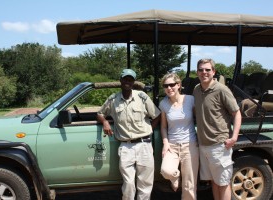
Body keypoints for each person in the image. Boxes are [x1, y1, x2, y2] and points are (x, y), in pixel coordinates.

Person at [97, 68, 161, 200]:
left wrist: (148, 131)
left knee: (145, 184)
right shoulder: (113, 99)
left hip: (144, 145)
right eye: (125, 79)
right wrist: (105, 122)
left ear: (133, 82)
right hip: (126, 147)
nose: (127, 81)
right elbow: (99, 113)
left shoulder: (142, 97)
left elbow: (157, 115)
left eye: (130, 79)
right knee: (129, 183)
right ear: (120, 80)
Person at [193, 58, 242, 200]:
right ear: (197, 72)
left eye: (208, 69)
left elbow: (236, 113)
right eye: (201, 70)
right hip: (203, 145)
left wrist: (234, 137)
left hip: (219, 145)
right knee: (214, 182)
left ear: (213, 71)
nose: (204, 72)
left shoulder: (222, 90)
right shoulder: (197, 89)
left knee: (224, 183)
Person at [159, 72, 199, 200]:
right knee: (166, 171)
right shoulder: (163, 104)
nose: (169, 88)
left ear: (179, 85)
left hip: (190, 145)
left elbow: (199, 118)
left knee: (189, 184)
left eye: (172, 85)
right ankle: (175, 178)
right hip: (172, 145)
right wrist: (165, 143)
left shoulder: (190, 100)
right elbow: (163, 126)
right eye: (166, 86)